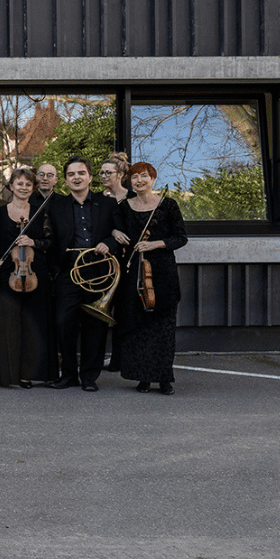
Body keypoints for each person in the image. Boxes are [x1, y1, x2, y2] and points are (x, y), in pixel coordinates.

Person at [110, 162, 187, 394]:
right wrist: (114, 231)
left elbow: (181, 238)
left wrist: (155, 244)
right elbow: (114, 229)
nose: (139, 181)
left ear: (152, 179)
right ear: (129, 181)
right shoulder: (124, 207)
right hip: (134, 270)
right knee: (138, 326)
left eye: (144, 176)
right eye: (134, 177)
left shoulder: (168, 205)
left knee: (163, 328)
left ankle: (164, 379)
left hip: (162, 272)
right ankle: (143, 377)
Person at [46, 156, 116, 392]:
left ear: (90, 177)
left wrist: (108, 243)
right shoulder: (56, 206)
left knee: (95, 326)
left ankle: (89, 377)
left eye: (81, 173)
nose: (76, 177)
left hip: (99, 272)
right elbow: (51, 241)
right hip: (68, 273)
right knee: (63, 323)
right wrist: (57, 271)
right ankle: (68, 375)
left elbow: (119, 233)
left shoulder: (107, 204)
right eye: (71, 174)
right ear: (65, 180)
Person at [0, 168, 56, 387]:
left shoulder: (40, 212)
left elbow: (50, 242)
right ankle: (7, 375)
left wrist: (33, 242)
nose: (23, 188)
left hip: (35, 274)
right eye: (19, 183)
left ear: (32, 188)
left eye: (28, 184)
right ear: (11, 186)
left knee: (33, 325)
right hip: (8, 274)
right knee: (8, 326)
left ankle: (28, 374)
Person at [97, 151, 132, 372]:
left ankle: (121, 358)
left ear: (120, 174)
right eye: (101, 172)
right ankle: (101, 357)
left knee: (124, 312)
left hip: (128, 261)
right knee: (102, 311)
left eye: (108, 172)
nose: (103, 176)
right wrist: (112, 231)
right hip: (106, 262)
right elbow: (96, 228)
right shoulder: (98, 199)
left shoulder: (132, 197)